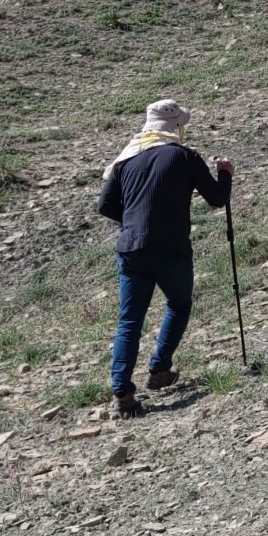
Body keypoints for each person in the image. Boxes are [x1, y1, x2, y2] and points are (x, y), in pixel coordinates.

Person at [98, 99, 234, 418]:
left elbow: (105, 206)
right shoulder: (185, 156)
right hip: (171, 247)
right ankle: (159, 369)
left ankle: (122, 393)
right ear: (175, 127)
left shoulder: (126, 160)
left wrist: (132, 221)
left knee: (130, 320)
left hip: (131, 248)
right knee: (179, 303)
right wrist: (225, 174)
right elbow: (217, 199)